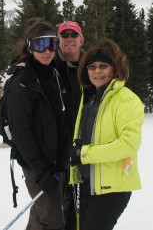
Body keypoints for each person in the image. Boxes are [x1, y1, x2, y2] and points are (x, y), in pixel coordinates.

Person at [69, 38, 144, 230]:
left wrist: (83, 154)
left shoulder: (126, 99)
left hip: (111, 188)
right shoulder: (90, 98)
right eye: (92, 67)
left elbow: (129, 144)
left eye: (103, 66)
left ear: (115, 68)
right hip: (86, 182)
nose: (97, 71)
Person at [6, 17, 69, 230]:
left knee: (43, 214)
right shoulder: (22, 82)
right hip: (37, 164)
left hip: (54, 162)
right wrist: (42, 171)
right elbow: (20, 131)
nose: (47, 51)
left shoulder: (52, 73)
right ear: (30, 46)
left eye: (52, 44)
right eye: (41, 44)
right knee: (52, 220)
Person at [55, 21, 85, 230]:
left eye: (73, 34)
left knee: (85, 205)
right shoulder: (51, 67)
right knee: (57, 209)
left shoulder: (92, 66)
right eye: (64, 36)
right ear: (58, 42)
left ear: (81, 39)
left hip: (88, 147)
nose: (68, 39)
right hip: (59, 149)